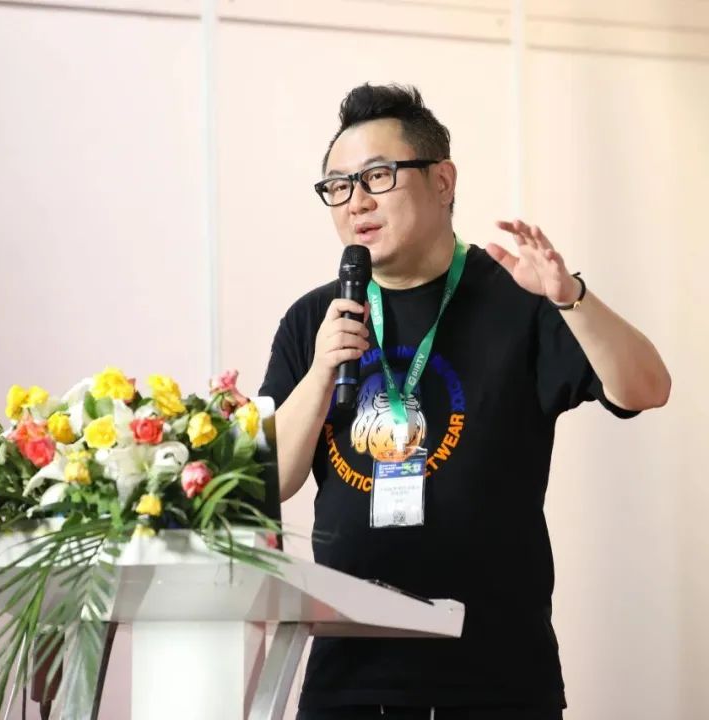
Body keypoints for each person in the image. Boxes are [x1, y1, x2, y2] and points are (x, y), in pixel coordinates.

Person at [259, 83, 671, 720]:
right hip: (350, 677)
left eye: (377, 176)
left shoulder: (517, 298)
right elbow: (269, 482)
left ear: (442, 180)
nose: (356, 201)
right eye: (337, 186)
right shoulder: (316, 318)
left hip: (496, 674)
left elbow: (647, 387)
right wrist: (319, 372)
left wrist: (571, 298)